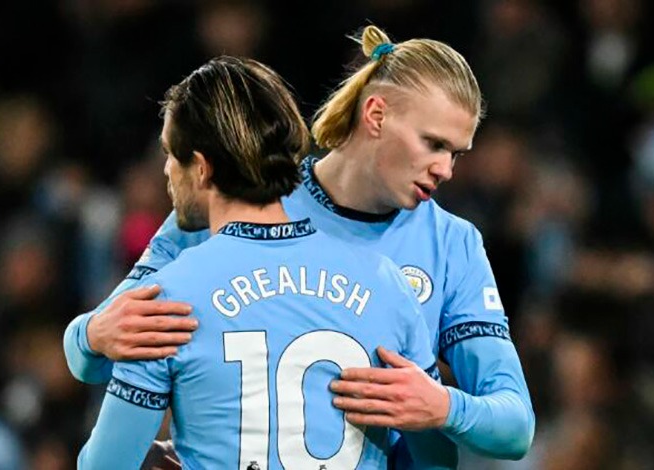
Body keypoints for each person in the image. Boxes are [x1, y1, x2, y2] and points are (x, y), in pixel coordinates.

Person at [65, 25, 535, 466]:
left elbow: (515, 426)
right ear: (375, 114)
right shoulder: (248, 193)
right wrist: (92, 336)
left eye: (456, 153)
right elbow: (95, 353)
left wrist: (443, 406)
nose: (446, 169)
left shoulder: (452, 245)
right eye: (433, 144)